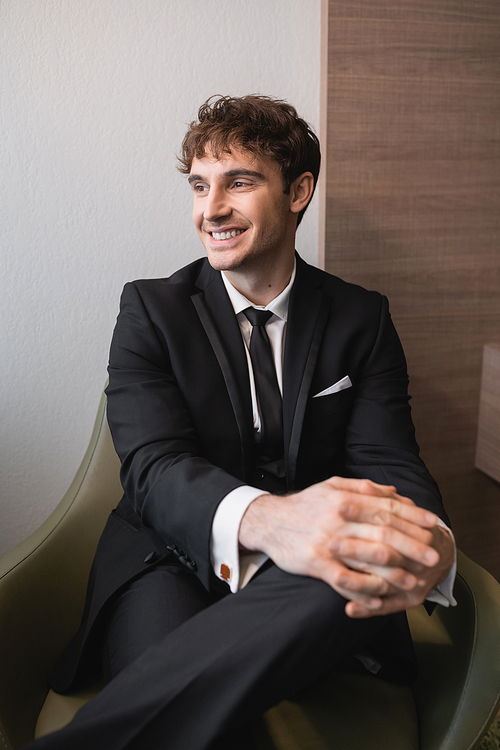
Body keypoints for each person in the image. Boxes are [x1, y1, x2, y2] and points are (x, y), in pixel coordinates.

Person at [25, 95, 456, 750]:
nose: (211, 209)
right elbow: (151, 468)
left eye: (239, 182)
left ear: (298, 191)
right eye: (200, 185)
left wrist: (430, 543)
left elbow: (393, 467)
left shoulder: (360, 320)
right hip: (169, 559)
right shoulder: (150, 311)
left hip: (310, 577)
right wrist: (268, 521)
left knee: (355, 559)